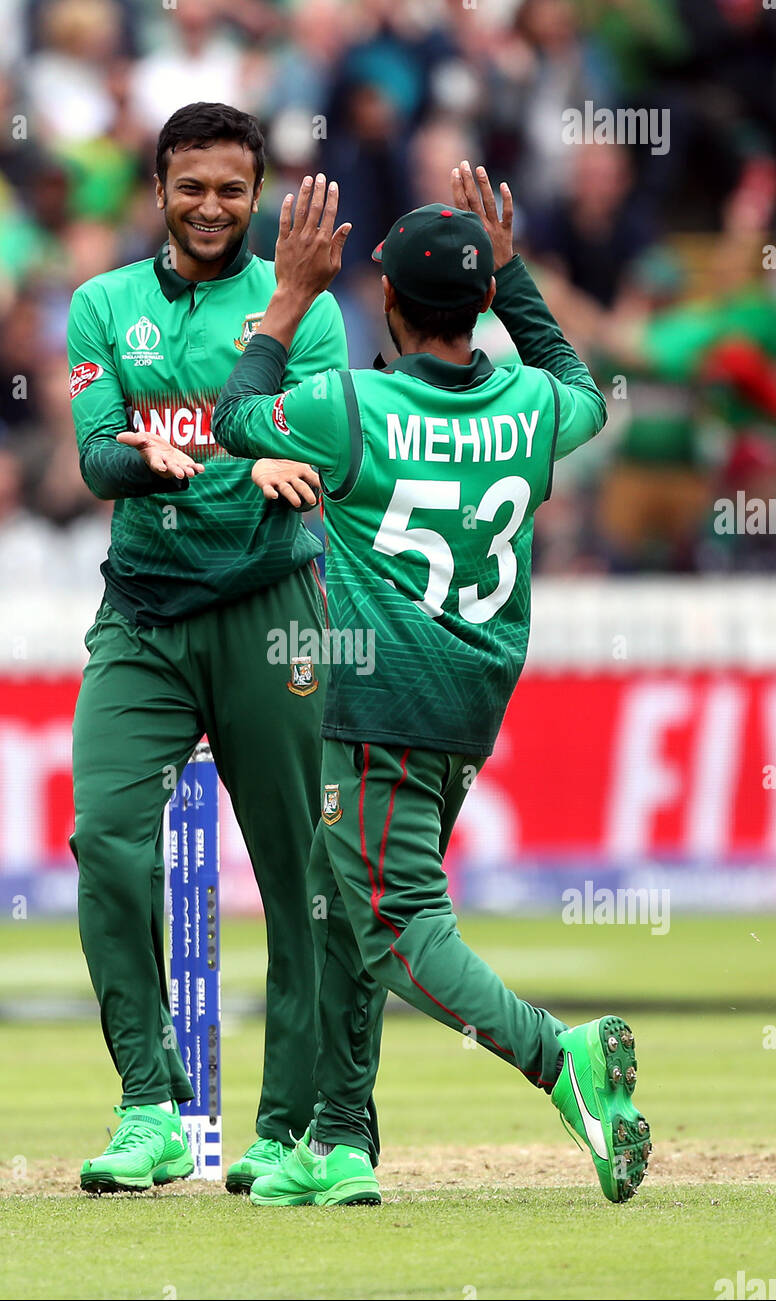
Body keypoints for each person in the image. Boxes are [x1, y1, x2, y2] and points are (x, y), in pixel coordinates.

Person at [210, 164, 650, 1206]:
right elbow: (584, 388)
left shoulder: (350, 409)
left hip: (378, 699)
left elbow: (235, 420)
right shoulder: (532, 408)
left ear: (390, 303)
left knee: (397, 921)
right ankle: (335, 1138)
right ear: (482, 300)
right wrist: (516, 274)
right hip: (470, 703)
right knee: (341, 908)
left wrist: (288, 295)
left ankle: (560, 1060)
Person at [67, 103, 349, 1194]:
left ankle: (284, 1129)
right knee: (106, 841)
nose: (212, 208)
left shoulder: (300, 313)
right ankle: (149, 1109)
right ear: (159, 189)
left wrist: (273, 456)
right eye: (193, 187)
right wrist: (151, 460)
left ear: (257, 192)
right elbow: (97, 460)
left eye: (232, 188)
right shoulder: (104, 305)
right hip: (141, 611)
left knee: (301, 877)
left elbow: (312, 443)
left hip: (270, 606)